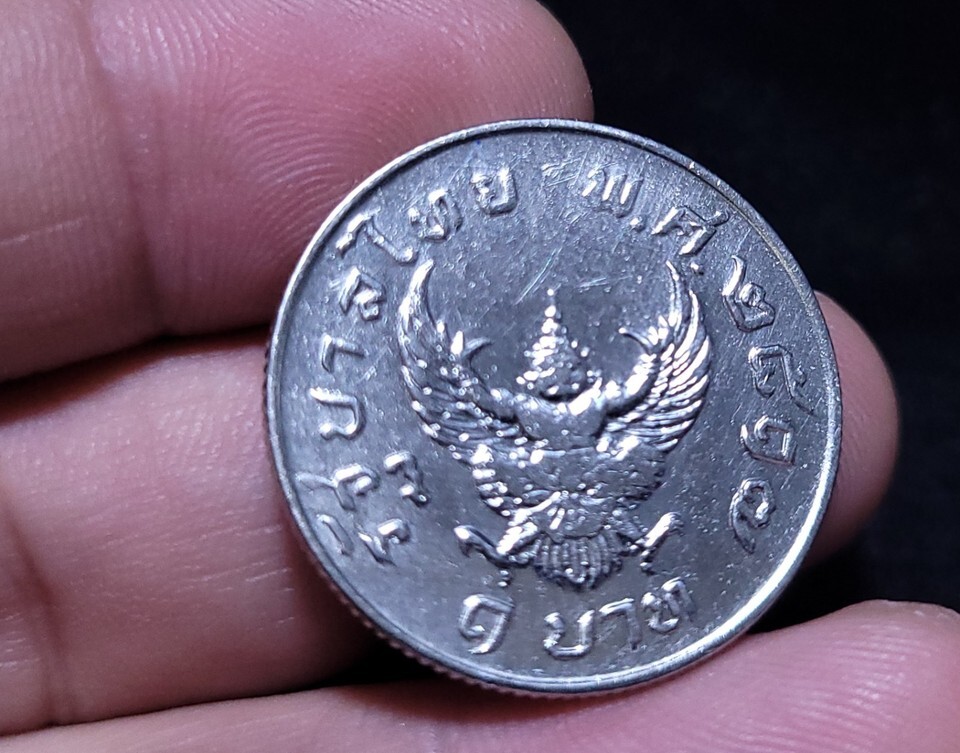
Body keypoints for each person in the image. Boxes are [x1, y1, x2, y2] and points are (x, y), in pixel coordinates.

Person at [0, 1, 955, 750]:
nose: (558, 376)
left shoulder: (609, 411)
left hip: (591, 528)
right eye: (551, 369)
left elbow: (670, 376)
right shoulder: (513, 414)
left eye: (564, 368)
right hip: (545, 524)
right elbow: (441, 384)